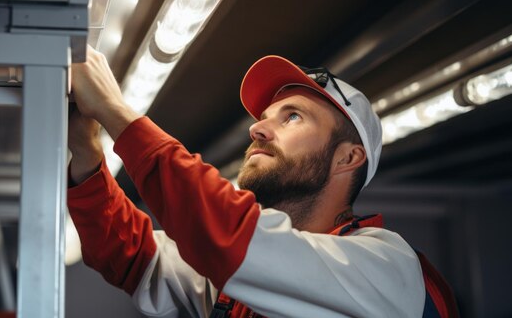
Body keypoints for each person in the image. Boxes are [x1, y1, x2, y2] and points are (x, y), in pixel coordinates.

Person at [67, 48, 458, 317]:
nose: (257, 128)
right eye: (266, 116)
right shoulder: (241, 276)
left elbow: (229, 236)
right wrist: (87, 156)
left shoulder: (386, 267)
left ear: (348, 158)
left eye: (292, 117)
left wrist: (115, 113)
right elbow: (134, 254)